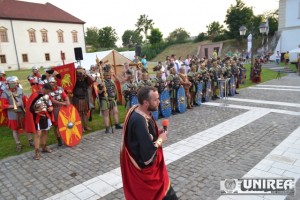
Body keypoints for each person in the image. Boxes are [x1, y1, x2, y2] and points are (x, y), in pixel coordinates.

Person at [120, 86, 178, 200]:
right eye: (155, 100)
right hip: (148, 173)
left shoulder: (137, 110)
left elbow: (144, 137)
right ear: (146, 102)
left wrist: (157, 133)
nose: (159, 102)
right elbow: (147, 154)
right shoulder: (139, 120)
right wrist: (160, 139)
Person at [0, 76, 34, 152]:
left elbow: (24, 100)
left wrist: (28, 109)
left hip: (21, 112)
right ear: (9, 84)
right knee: (15, 130)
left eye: (16, 83)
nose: (15, 84)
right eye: (13, 83)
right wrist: (14, 105)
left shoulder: (20, 90)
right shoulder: (5, 93)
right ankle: (18, 144)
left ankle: (30, 141)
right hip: (12, 113)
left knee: (25, 127)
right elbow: (3, 105)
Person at [26, 83, 54, 160]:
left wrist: (51, 108)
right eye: (47, 91)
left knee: (45, 132)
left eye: (49, 92)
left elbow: (50, 104)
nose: (48, 93)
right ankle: (37, 151)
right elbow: (30, 108)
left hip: (45, 116)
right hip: (37, 117)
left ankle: (44, 147)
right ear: (44, 88)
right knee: (38, 134)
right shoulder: (35, 95)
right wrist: (36, 109)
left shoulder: (47, 95)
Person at [98, 64, 123, 133]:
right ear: (104, 76)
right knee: (106, 114)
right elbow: (99, 92)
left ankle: (117, 124)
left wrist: (115, 97)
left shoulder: (112, 81)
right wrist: (102, 89)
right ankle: (107, 127)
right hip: (105, 100)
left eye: (109, 75)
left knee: (115, 112)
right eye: (106, 76)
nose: (108, 77)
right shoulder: (101, 82)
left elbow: (114, 89)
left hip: (112, 99)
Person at [48, 76, 70, 146]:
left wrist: (67, 101)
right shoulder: (48, 91)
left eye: (53, 82)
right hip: (55, 109)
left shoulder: (60, 88)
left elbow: (65, 96)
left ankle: (66, 137)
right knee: (56, 126)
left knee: (65, 123)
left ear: (55, 82)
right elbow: (52, 100)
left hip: (63, 108)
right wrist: (63, 103)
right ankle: (59, 139)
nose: (52, 84)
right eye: (50, 82)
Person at [73, 66, 94, 132]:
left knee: (84, 113)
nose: (81, 74)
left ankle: (86, 126)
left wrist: (86, 74)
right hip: (77, 98)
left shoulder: (85, 79)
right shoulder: (74, 79)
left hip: (84, 97)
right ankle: (81, 127)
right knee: (79, 113)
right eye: (79, 72)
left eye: (81, 72)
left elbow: (92, 81)